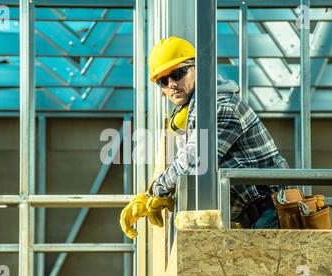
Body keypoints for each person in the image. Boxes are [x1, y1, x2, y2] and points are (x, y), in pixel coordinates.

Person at [120, 36, 290, 239]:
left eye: (177, 73)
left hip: (273, 213)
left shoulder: (218, 107)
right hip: (258, 217)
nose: (172, 84)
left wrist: (154, 192)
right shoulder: (195, 111)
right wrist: (172, 193)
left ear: (197, 68)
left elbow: (193, 162)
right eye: (163, 81)